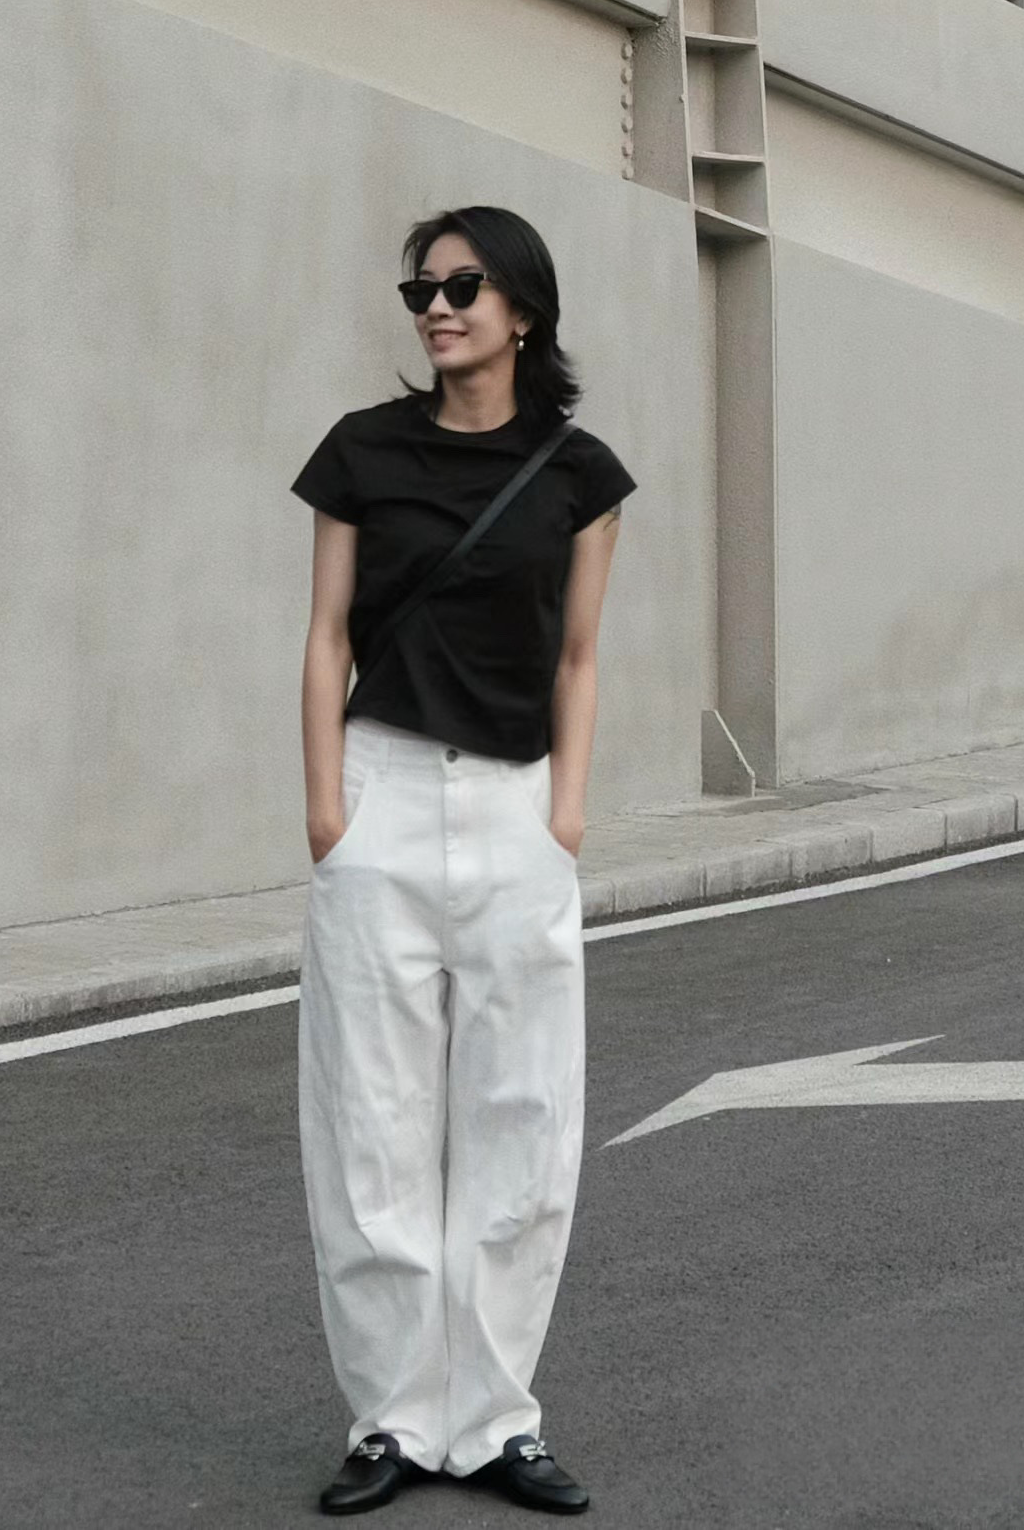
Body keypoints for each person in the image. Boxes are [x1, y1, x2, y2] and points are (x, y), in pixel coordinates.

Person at [290, 204, 637, 1516]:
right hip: (379, 797)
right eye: (420, 290)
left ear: (523, 311)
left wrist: (566, 815)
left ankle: (494, 1422)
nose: (436, 307)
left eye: (462, 285)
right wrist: (327, 812)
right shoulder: (360, 452)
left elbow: (580, 656)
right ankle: (389, 1419)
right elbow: (326, 636)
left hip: (516, 811)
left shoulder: (580, 476)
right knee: (368, 1127)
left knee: (523, 1123)